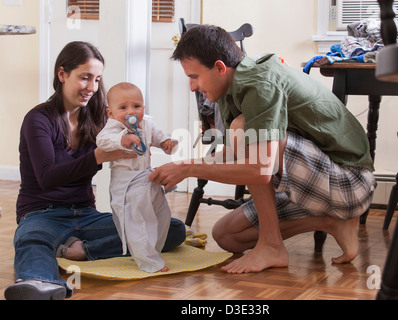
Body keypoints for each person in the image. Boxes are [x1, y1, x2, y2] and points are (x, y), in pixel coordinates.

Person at [149, 25, 376, 274]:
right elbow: (236, 154)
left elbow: (259, 169)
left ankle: (271, 245)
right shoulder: (229, 89)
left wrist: (188, 168)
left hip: (351, 185)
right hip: (317, 186)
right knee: (227, 236)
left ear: (219, 67)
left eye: (194, 77)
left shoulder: (259, 82)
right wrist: (180, 166)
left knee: (242, 131)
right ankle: (331, 222)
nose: (192, 87)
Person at [4, 42, 185, 300]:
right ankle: (40, 282)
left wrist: (160, 145)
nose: (92, 87)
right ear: (62, 74)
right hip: (42, 213)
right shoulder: (38, 119)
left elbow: (142, 131)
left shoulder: (102, 118)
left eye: (97, 79)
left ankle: (81, 251)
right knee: (32, 241)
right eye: (85, 78)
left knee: (172, 229)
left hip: (86, 214)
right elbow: (47, 178)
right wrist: (97, 156)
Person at [96, 82, 177, 273]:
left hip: (148, 179)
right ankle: (147, 261)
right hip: (127, 185)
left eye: (136, 106)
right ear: (111, 113)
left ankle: (152, 252)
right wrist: (121, 140)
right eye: (123, 108)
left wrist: (165, 142)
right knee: (137, 221)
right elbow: (102, 140)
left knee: (161, 215)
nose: (130, 111)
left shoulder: (146, 123)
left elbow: (157, 136)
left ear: (143, 108)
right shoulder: (113, 128)